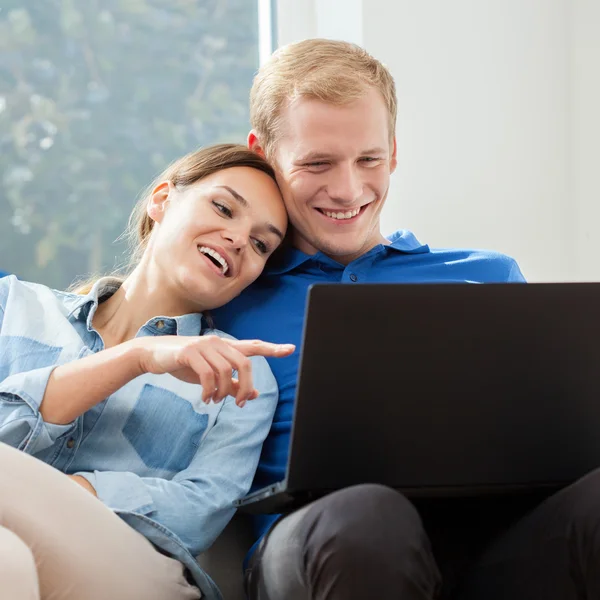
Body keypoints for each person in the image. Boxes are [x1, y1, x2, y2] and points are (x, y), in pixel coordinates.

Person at [213, 40, 600, 600]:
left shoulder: (491, 276)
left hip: (498, 552)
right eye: (317, 163)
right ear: (264, 153)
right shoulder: (231, 294)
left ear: (393, 151)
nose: (347, 189)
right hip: (328, 544)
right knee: (368, 518)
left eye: (368, 159)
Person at [0, 143, 296, 600]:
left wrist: (67, 493)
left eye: (261, 244)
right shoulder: (13, 305)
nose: (239, 239)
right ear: (161, 199)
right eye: (223, 207)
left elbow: (197, 512)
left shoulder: (241, 370)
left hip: (134, 577)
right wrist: (134, 358)